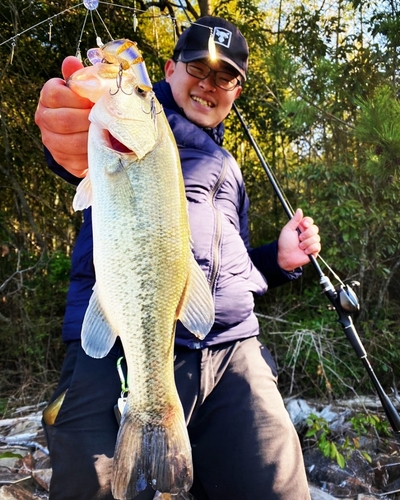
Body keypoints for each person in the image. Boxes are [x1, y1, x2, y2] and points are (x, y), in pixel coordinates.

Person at [35, 16, 320, 500]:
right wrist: (66, 134)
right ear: (168, 70)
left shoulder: (229, 169)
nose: (209, 85)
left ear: (236, 90)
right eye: (197, 69)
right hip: (123, 348)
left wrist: (278, 259)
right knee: (93, 488)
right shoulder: (136, 130)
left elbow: (230, 270)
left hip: (233, 350)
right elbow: (79, 153)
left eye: (225, 77)